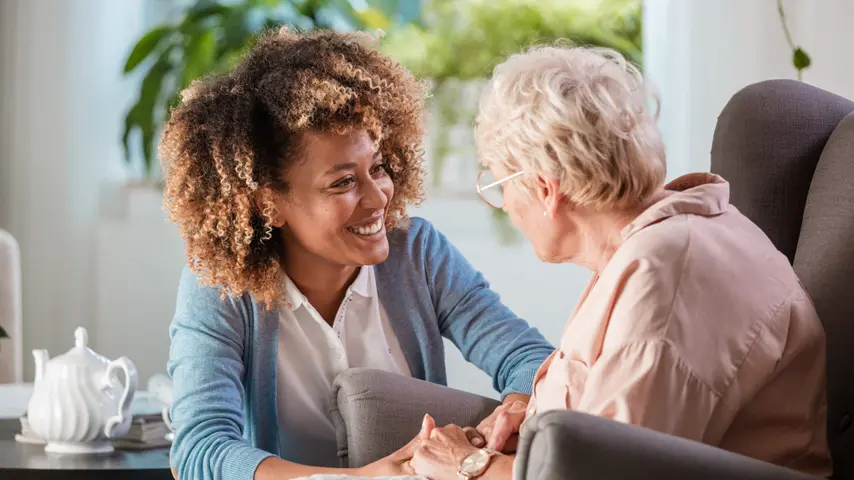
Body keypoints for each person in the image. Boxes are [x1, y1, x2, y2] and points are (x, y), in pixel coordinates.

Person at [409, 44, 831, 479]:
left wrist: (469, 464)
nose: (506, 206)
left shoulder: (665, 278)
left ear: (544, 188)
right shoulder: (664, 241)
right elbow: (609, 425)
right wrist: (538, 428)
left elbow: (609, 472)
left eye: (499, 183)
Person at [160, 28, 554, 480]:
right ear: (269, 202)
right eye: (343, 182)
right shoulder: (221, 287)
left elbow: (530, 360)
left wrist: (512, 413)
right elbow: (200, 448)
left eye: (378, 168)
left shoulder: (419, 254)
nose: (378, 197)